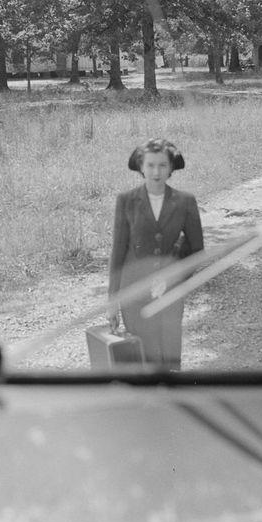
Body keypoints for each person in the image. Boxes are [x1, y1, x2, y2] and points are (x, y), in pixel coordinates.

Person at [108, 138, 204, 370]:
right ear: (141, 167)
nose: (156, 172)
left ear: (171, 168)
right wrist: (112, 301)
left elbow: (196, 250)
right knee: (143, 357)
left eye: (162, 165)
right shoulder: (126, 201)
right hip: (134, 292)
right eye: (150, 165)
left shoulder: (185, 201)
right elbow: (118, 252)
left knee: (170, 357)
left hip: (170, 294)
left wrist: (172, 278)